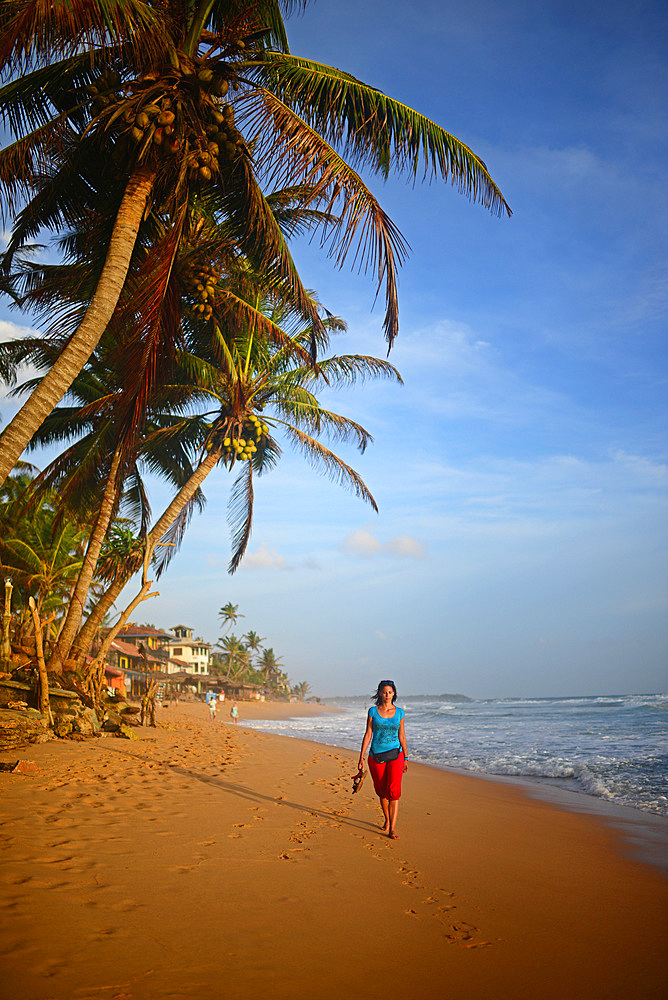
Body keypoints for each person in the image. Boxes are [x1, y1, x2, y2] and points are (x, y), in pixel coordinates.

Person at [358, 680, 408, 839]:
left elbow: (402, 735)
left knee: (394, 791)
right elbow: (368, 734)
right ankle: (387, 819)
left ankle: (392, 829)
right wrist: (361, 756)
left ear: (394, 694)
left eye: (390, 692)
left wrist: (406, 757)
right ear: (380, 693)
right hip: (376, 756)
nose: (387, 695)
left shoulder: (400, 712)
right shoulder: (373, 711)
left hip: (396, 755)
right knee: (381, 791)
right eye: (385, 692)